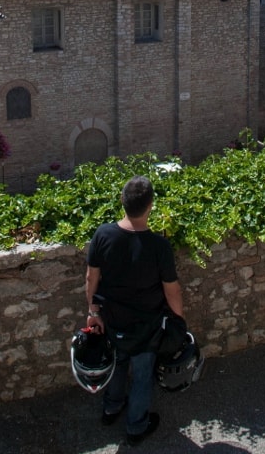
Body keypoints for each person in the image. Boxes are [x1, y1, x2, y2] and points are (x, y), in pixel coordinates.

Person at [85, 175, 184, 446]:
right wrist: (179, 319)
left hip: (112, 320)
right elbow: (171, 289)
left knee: (117, 365)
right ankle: (136, 427)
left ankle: (111, 408)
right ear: (150, 206)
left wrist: (93, 312)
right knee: (142, 376)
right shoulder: (159, 246)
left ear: (122, 201)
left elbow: (91, 278)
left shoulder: (103, 235)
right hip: (146, 325)